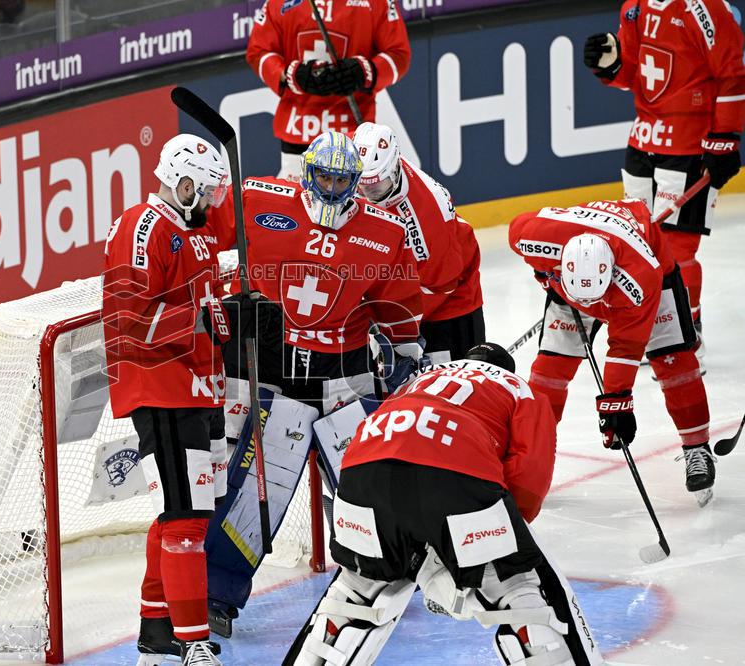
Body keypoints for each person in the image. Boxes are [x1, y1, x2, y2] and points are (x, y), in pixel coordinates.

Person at [205, 130, 424, 637]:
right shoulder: (260, 199)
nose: (329, 186)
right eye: (321, 175)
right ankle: (216, 592)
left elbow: (401, 308)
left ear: (355, 182)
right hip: (279, 383)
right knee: (254, 497)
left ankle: (396, 571)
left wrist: (405, 354)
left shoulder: (384, 232)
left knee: (369, 487)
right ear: (306, 172)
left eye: (340, 179)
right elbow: (205, 230)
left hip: (345, 383)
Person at [285, 343, 604, 666]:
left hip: (361, 474)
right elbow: (528, 481)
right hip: (455, 472)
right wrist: (489, 549)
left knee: (356, 590)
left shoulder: (419, 380)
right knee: (516, 591)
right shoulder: (519, 388)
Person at [102, 133, 250, 665]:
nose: (212, 203)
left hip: (197, 388)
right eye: (207, 192)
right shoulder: (143, 227)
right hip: (159, 388)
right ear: (183, 183)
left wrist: (233, 308)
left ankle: (157, 629)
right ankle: (193, 645)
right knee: (185, 518)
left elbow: (203, 307)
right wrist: (204, 319)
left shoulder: (196, 233)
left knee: (184, 514)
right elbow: (130, 320)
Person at [508, 198, 714, 506]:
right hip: (569, 288)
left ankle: (697, 448)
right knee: (548, 372)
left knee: (674, 362)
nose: (593, 310)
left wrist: (615, 406)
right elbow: (527, 248)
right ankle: (531, 458)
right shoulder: (531, 236)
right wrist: (547, 276)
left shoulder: (639, 280)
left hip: (649, 272)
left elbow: (625, 347)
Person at [583, 1, 745, 354]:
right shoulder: (634, 6)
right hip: (642, 140)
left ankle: (686, 336)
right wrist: (612, 63)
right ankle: (655, 327)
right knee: (641, 242)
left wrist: (725, 138)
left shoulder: (707, 8)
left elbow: (732, 73)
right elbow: (635, 75)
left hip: (691, 144)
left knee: (678, 249)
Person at [352, 121, 484, 363]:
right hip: (404, 280)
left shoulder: (427, 217)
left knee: (443, 385)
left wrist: (385, 321)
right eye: (359, 183)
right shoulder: (364, 153)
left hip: (448, 304)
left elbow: (441, 285)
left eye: (375, 187)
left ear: (393, 170)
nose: (365, 194)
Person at [245, 0, 410, 180]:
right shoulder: (278, 3)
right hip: (299, 131)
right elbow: (258, 50)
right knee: (298, 207)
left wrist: (364, 72)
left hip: (353, 136)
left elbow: (398, 54)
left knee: (352, 206)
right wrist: (287, 75)